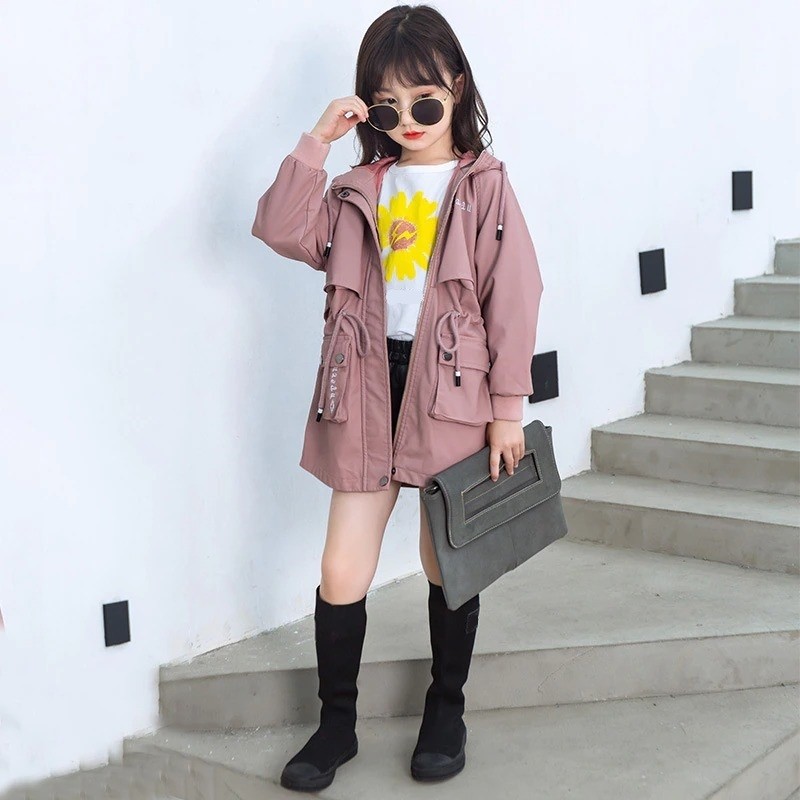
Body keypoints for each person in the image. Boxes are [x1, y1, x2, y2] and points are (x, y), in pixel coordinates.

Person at [251, 3, 544, 792]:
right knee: (342, 564)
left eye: (425, 101)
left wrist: (507, 410)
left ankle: (446, 710)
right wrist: (318, 141)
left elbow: (515, 297)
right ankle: (335, 726)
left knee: (445, 557)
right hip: (364, 385)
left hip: (453, 389)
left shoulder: (484, 186)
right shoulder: (357, 189)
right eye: (387, 107)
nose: (408, 120)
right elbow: (279, 228)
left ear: (457, 87)